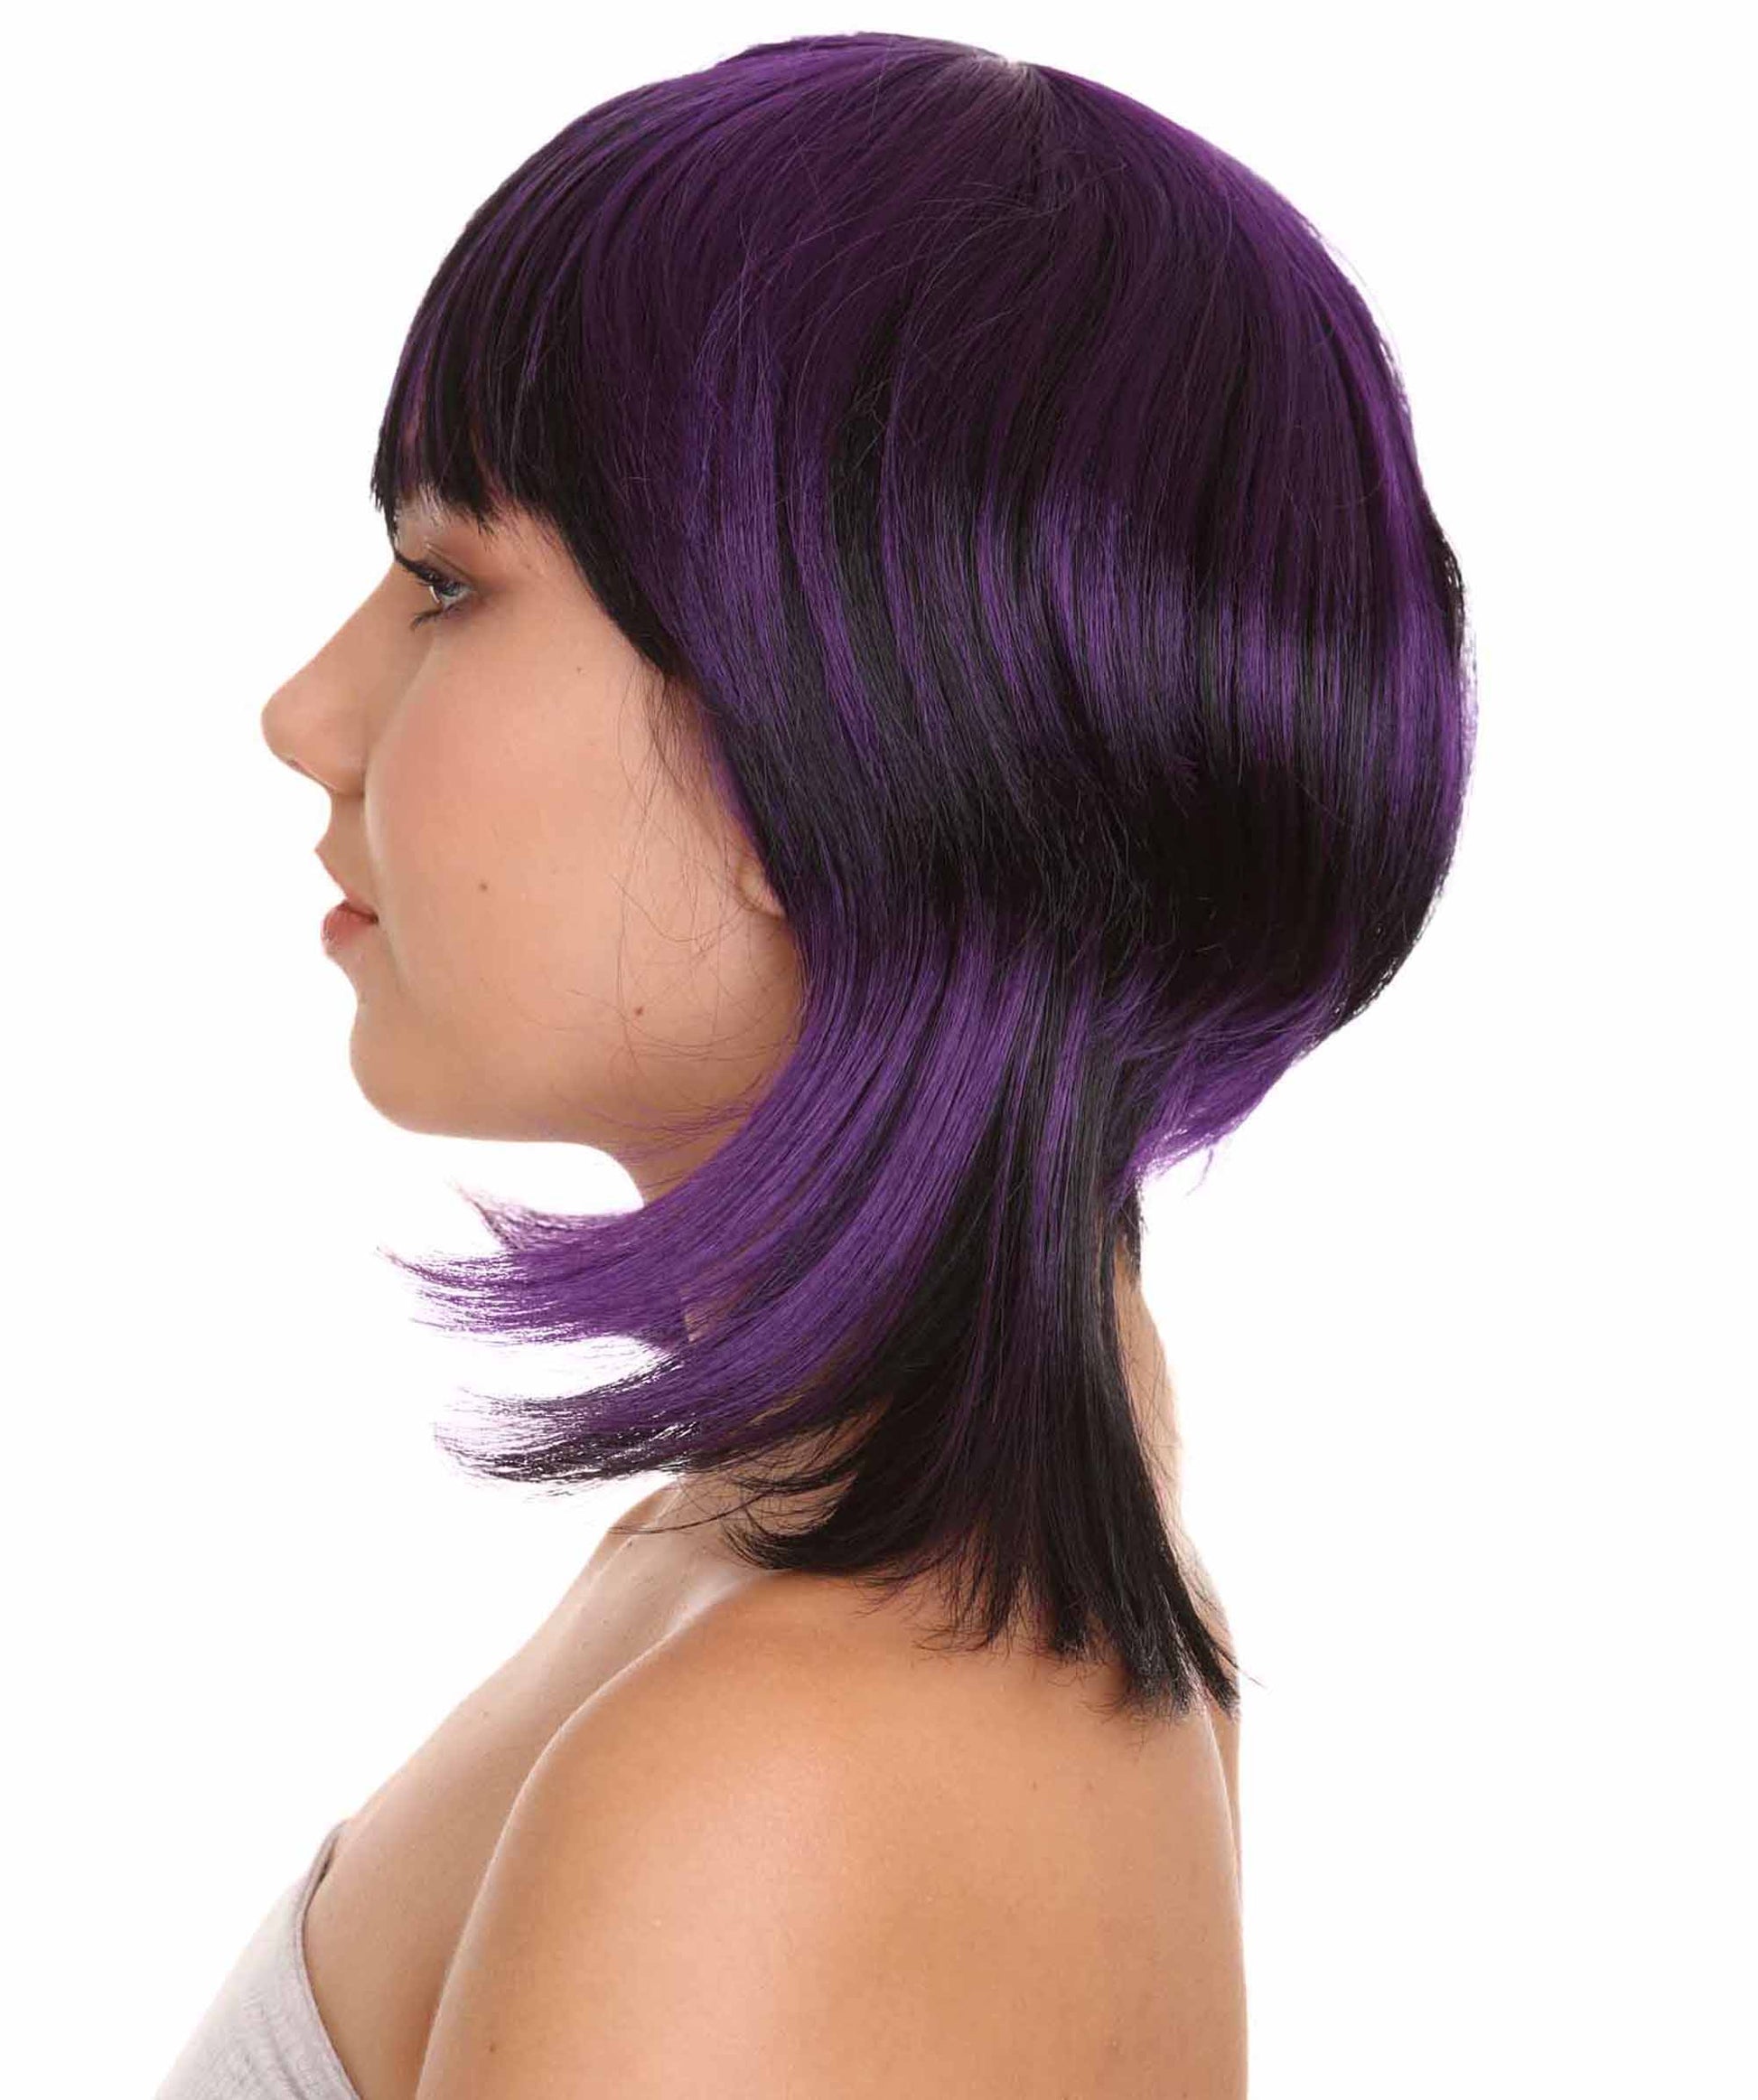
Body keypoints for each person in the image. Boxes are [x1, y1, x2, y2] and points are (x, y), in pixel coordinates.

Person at [157, 29, 1473, 2100]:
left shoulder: (793, 1772)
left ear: (840, 743)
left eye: (446, 581)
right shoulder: (834, 1561)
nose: (305, 712)